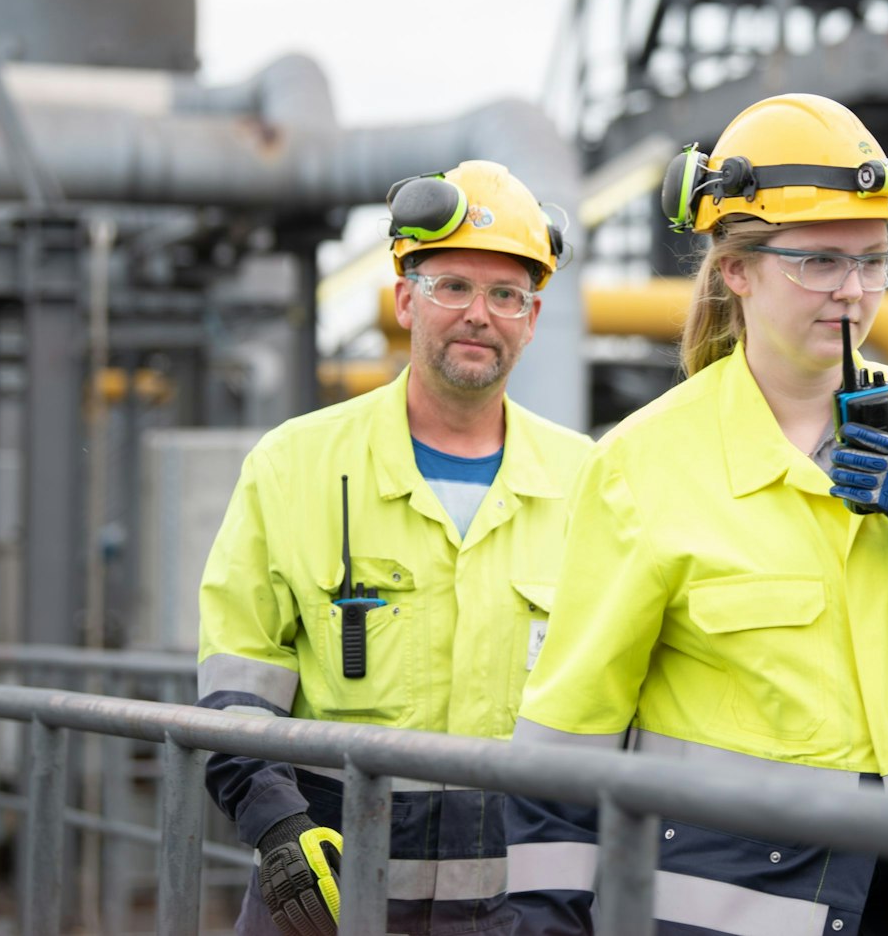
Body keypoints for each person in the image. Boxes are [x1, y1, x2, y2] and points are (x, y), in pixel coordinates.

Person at [502, 94, 888, 935]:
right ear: (735, 268)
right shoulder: (643, 464)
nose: (852, 291)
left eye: (874, 260)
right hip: (737, 913)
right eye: (818, 261)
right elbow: (565, 743)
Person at [197, 160, 593, 936]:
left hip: (516, 910)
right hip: (325, 900)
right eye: (453, 286)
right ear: (405, 298)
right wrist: (278, 828)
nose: (480, 313)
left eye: (506, 294)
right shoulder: (295, 465)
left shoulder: (590, 482)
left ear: (533, 317)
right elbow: (236, 678)